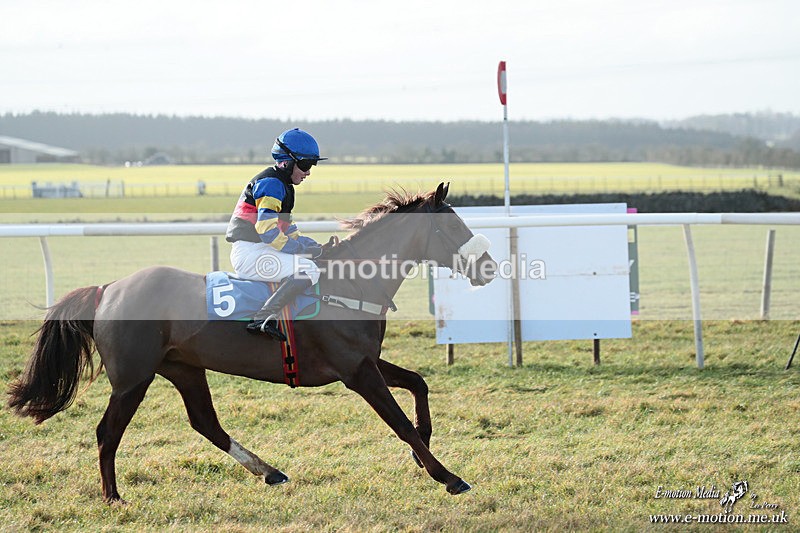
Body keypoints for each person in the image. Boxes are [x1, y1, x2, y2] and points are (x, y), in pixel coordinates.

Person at [226, 128, 325, 340]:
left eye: (312, 165)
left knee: (311, 261)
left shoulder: (283, 186)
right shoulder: (271, 184)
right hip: (251, 253)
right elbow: (268, 232)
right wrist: (303, 251)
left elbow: (289, 231)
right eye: (306, 165)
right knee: (309, 270)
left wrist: (316, 247)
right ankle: (262, 318)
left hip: (259, 249)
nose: (308, 172)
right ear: (286, 162)